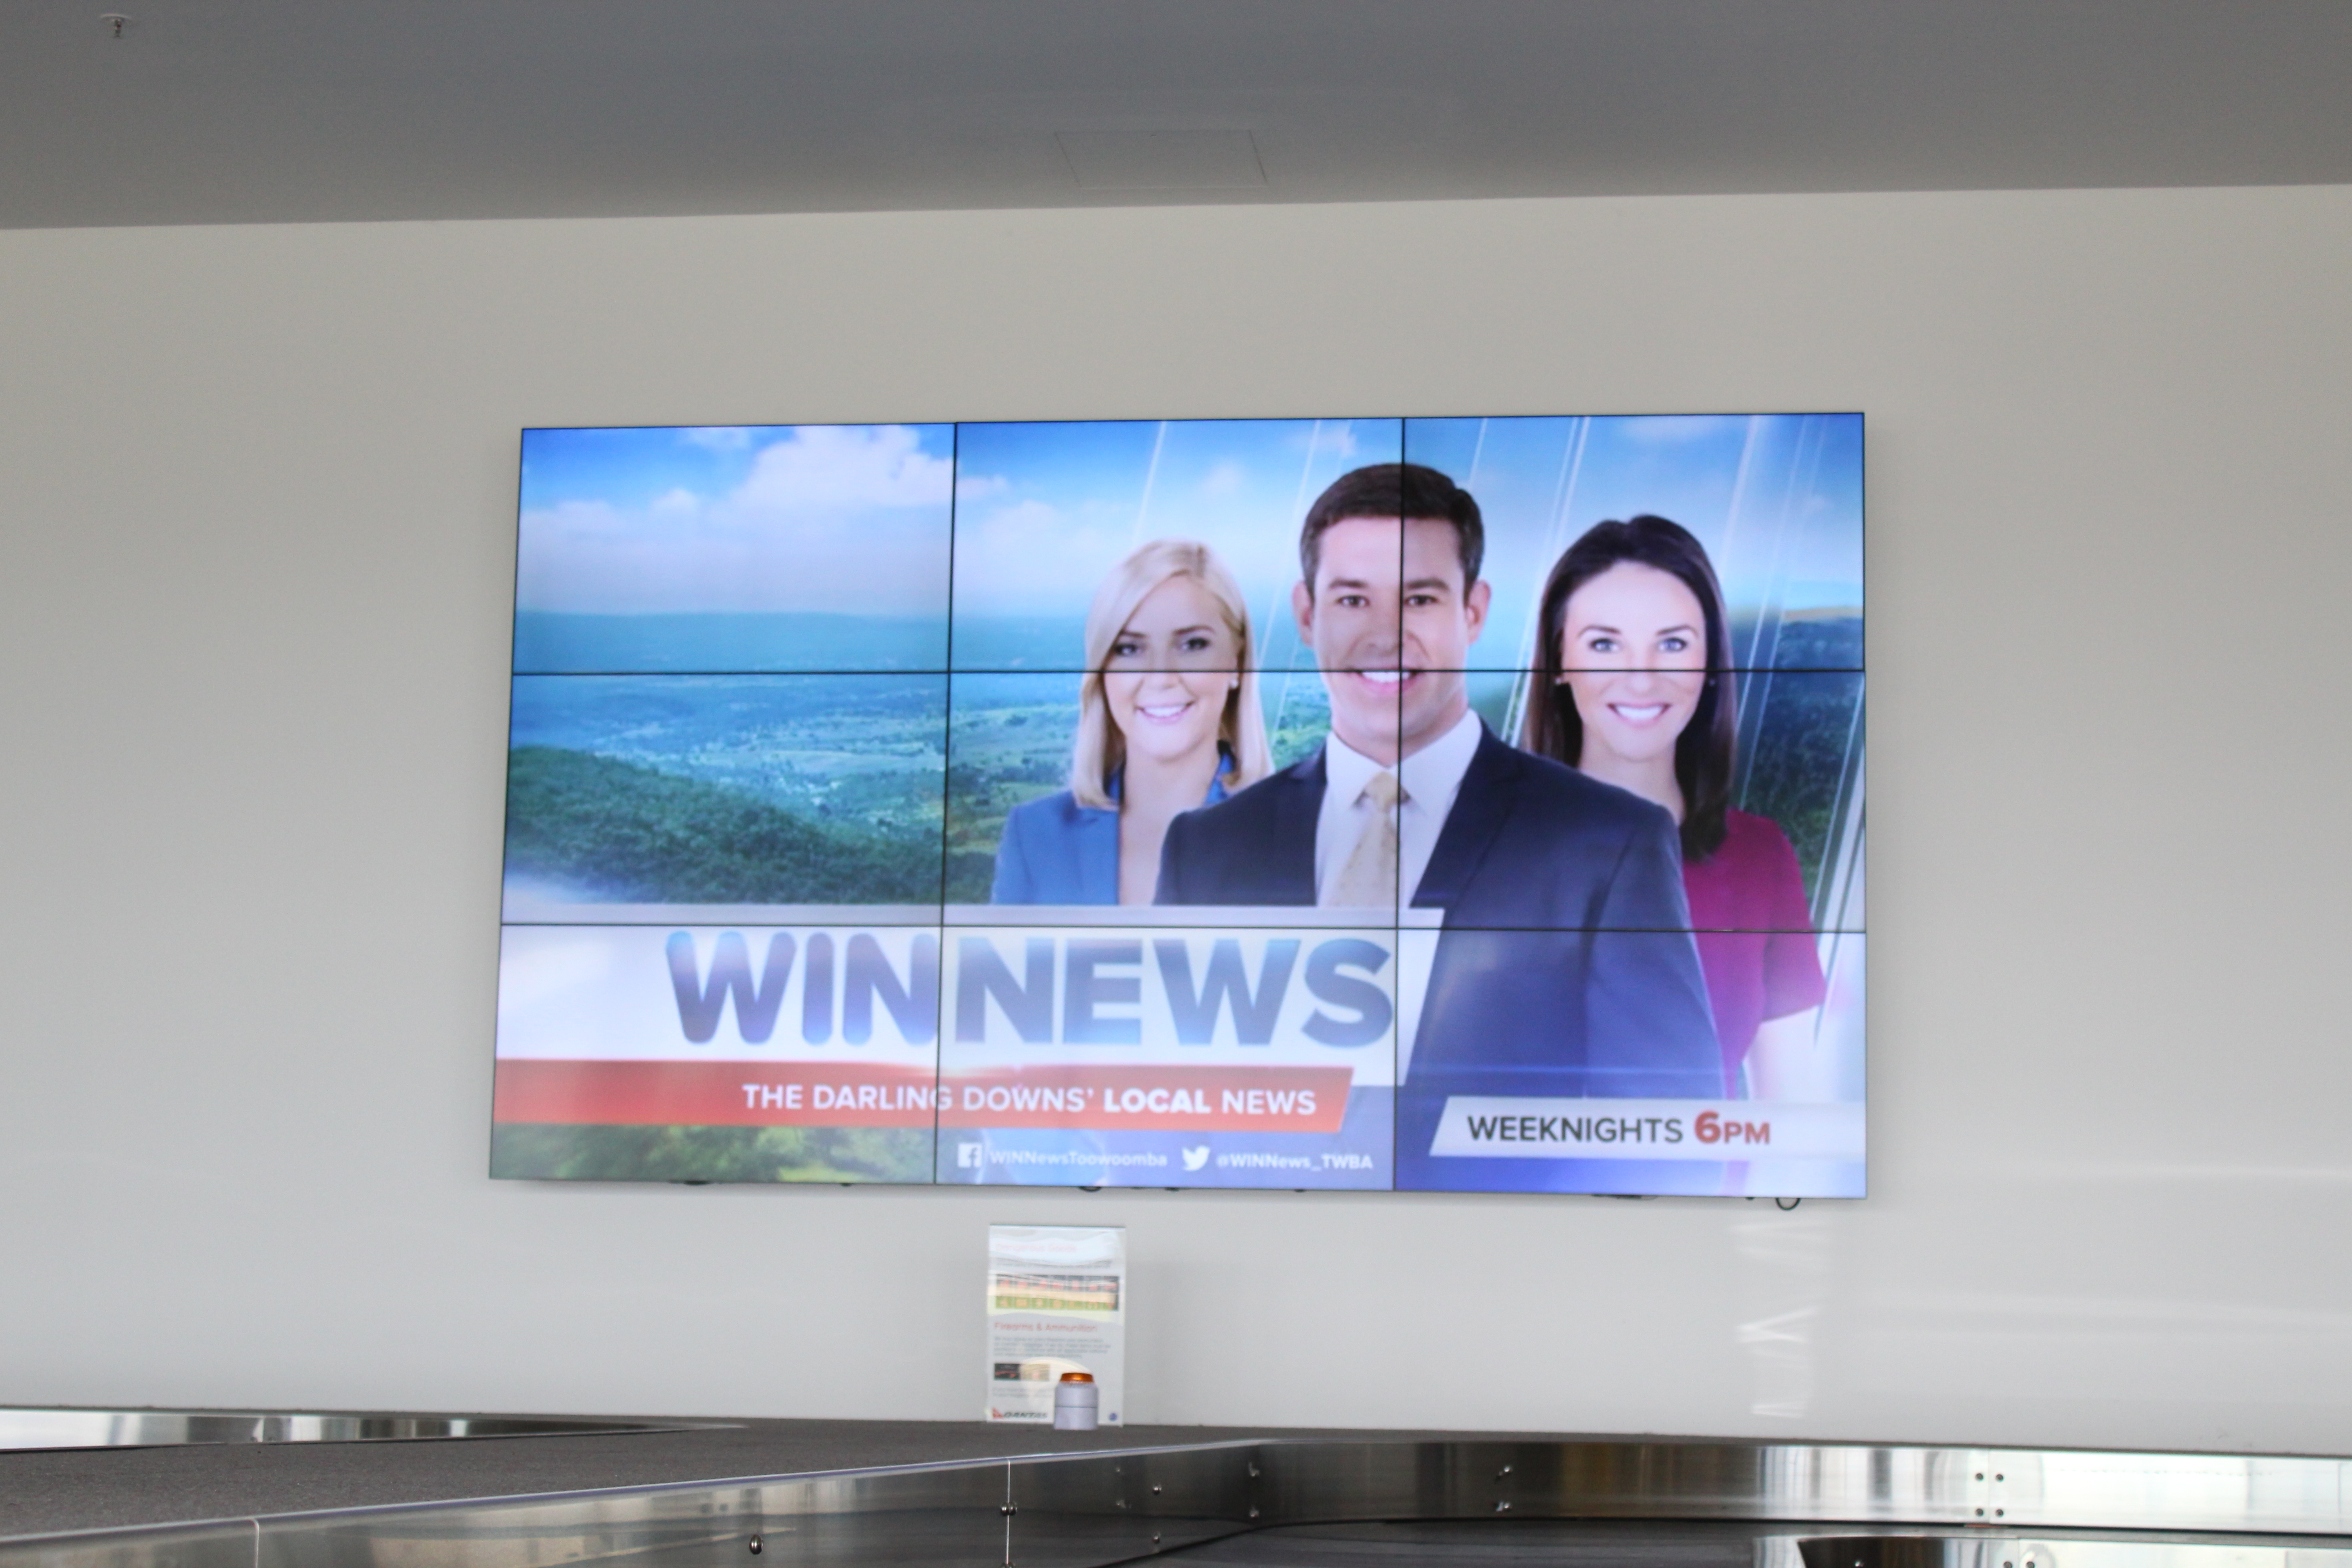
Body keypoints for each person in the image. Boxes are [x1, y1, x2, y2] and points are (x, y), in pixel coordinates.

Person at [1156, 464, 1721, 1192]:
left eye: (1420, 598)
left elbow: (1670, 1139)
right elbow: (1163, 1129)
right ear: (1306, 615)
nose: (1386, 633)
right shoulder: (1205, 852)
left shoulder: (1608, 845)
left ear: (1475, 611)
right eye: (1352, 598)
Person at [1522, 515, 1828, 1100]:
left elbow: (1793, 1113)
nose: (1642, 679)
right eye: (1605, 644)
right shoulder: (1491, 849)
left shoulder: (1761, 857)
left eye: (1672, 643)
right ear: (1559, 662)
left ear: (1709, 662)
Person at [991, 539, 1272, 906]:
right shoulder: (1034, 837)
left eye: (1192, 645)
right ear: (1103, 672)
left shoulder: (1298, 833)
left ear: (1236, 663)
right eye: (1129, 649)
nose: (1160, 677)